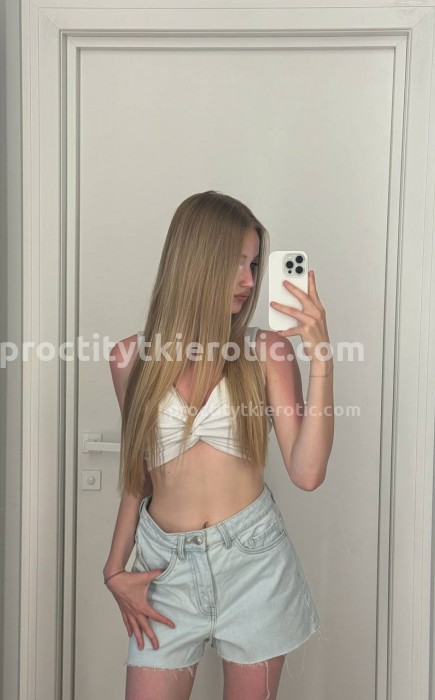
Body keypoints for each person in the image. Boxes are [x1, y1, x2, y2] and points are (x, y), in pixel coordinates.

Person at [103, 191, 334, 700]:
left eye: (253, 264)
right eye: (236, 263)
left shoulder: (267, 352)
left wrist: (321, 360)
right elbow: (139, 475)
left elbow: (307, 473)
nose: (249, 280)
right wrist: (115, 567)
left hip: (254, 562)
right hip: (164, 569)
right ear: (196, 260)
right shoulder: (130, 359)